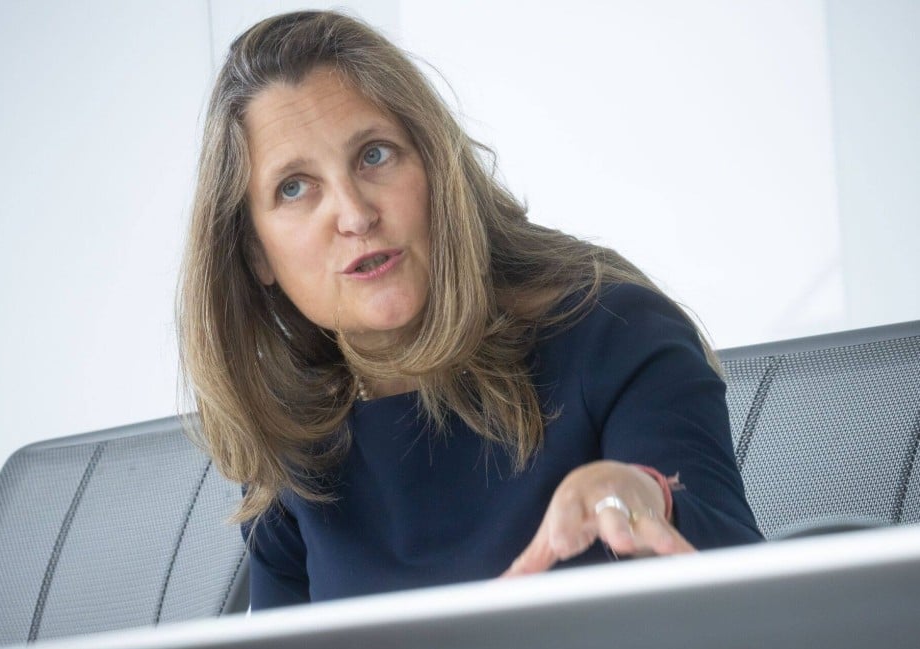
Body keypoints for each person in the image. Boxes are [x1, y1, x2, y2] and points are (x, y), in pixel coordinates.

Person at [177, 10, 762, 610]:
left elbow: (754, 605)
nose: (354, 215)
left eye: (374, 156)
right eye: (294, 188)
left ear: (436, 166)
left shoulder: (615, 333)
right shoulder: (295, 439)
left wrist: (648, 495)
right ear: (256, 253)